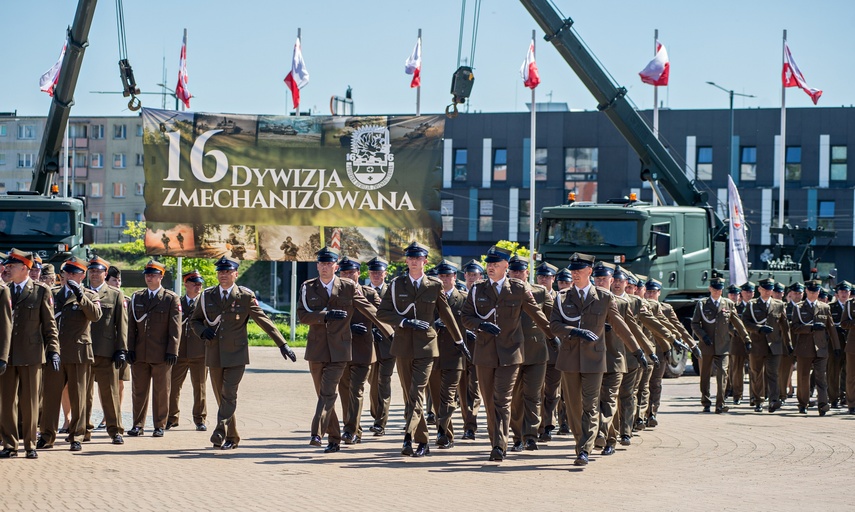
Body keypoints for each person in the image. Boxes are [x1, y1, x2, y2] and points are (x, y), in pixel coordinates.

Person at [460, 245, 557, 463]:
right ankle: (496, 438)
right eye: (489, 264)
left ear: (506, 266)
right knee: (489, 402)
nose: (491, 268)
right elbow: (465, 317)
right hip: (484, 354)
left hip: (511, 353)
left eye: (496, 264)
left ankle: (498, 446)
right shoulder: (477, 289)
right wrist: (481, 325)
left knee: (502, 400)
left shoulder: (518, 289)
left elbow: (538, 314)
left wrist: (553, 336)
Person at [549, 253, 645, 467]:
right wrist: (575, 331)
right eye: (572, 269)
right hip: (570, 360)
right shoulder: (562, 297)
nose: (574, 273)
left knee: (591, 406)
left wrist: (637, 351)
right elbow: (553, 325)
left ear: (589, 272)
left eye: (579, 270)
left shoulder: (603, 297)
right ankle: (581, 441)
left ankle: (584, 449)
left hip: (594, 360)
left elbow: (621, 326)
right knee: (574, 407)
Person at [192, 256, 297, 450]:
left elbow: (263, 320)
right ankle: (233, 437)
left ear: (236, 274)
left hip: (236, 355)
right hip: (214, 353)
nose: (223, 275)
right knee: (221, 397)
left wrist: (283, 344)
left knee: (229, 394)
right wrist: (201, 331)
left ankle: (220, 431)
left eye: (227, 271)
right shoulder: (207, 296)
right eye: (220, 272)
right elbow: (195, 320)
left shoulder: (245, 296)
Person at [297, 248, 390, 454]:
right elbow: (302, 315)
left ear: (335, 267)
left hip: (341, 350)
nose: (324, 267)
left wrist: (391, 331)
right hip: (317, 350)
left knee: (329, 392)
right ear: (317, 266)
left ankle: (317, 433)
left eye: (329, 264)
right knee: (323, 394)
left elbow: (369, 309)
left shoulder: (347, 287)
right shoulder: (308, 287)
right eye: (321, 264)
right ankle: (335, 438)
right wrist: (325, 315)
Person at [378, 241, 464, 458]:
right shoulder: (397, 285)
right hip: (403, 347)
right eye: (410, 258)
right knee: (410, 396)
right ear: (406, 260)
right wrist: (405, 322)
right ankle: (422, 441)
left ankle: (409, 437)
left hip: (427, 347)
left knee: (416, 393)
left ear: (425, 261)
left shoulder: (434, 285)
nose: (414, 261)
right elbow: (382, 313)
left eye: (418, 258)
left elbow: (447, 315)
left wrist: (459, 341)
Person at [41, 257, 102, 451]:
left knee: (78, 397)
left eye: (74, 273)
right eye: (66, 273)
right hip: (55, 352)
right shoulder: (52, 293)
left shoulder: (90, 295)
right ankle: (47, 435)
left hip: (78, 352)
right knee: (50, 397)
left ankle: (77, 435)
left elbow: (95, 316)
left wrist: (81, 297)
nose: (69, 276)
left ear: (83, 275)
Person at [336, 257, 390, 445]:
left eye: (352, 272)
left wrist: (389, 334)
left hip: (364, 351)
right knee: (344, 392)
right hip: (341, 350)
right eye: (344, 273)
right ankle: (353, 429)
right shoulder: (334, 293)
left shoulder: (368, 294)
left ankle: (350, 430)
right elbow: (330, 321)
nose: (349, 276)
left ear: (359, 273)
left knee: (356, 390)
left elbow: (381, 315)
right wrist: (348, 328)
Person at [0, 249, 47, 459]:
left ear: (24, 268)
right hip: (8, 356)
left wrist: (53, 350)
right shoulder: (5, 290)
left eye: (11, 266)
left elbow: (49, 325)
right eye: (7, 266)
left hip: (31, 354)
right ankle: (10, 444)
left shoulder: (41, 291)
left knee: (29, 402)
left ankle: (30, 444)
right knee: (7, 401)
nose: (7, 269)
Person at [127, 260, 181, 438]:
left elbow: (175, 327)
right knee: (139, 391)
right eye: (147, 274)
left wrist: (172, 350)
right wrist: (130, 348)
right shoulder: (137, 297)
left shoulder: (170, 298)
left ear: (161, 276)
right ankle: (138, 424)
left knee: (161, 391)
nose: (149, 277)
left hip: (161, 353)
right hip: (140, 352)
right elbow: (131, 327)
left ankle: (159, 424)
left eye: (153, 274)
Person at [509, 255, 554, 452]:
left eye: (521, 271)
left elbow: (552, 319)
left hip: (536, 352)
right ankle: (517, 436)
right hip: (511, 351)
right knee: (514, 398)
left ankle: (530, 436)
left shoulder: (540, 292)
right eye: (514, 271)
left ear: (528, 272)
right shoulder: (503, 290)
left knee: (534, 396)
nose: (517, 274)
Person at [691, 273, 751, 414]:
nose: (718, 291)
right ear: (710, 288)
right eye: (715, 289)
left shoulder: (728, 304)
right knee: (705, 375)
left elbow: (738, 323)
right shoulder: (702, 304)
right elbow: (694, 323)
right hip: (707, 346)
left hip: (723, 346)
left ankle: (720, 403)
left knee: (723, 374)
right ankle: (706, 401)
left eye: (720, 289)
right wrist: (703, 336)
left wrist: (746, 339)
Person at [427, 260, 472, 449]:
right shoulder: (428, 297)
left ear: (455, 277)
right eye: (442, 276)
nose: (444, 279)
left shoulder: (463, 298)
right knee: (437, 398)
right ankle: (447, 434)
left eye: (448, 276)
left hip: (455, 355)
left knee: (449, 396)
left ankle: (442, 432)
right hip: (433, 353)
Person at [84, 256, 127, 445]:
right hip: (83, 351)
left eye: (98, 271)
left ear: (105, 273)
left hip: (106, 351)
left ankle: (115, 430)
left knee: (110, 394)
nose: (94, 274)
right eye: (91, 270)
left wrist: (121, 349)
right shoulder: (80, 292)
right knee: (83, 395)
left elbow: (121, 324)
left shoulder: (115, 294)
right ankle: (83, 430)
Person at [791, 279, 841, 415]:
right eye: (811, 291)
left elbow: (831, 328)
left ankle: (823, 404)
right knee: (803, 377)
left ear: (819, 292)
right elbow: (794, 327)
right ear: (806, 291)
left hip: (821, 348)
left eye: (816, 291)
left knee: (821, 378)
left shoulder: (825, 307)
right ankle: (803, 403)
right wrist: (810, 328)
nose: (813, 293)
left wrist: (836, 347)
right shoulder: (799, 307)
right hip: (804, 348)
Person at [741, 278, 791, 413]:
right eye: (765, 289)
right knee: (757, 373)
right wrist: (758, 328)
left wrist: (789, 344)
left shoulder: (779, 304)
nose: (768, 291)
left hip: (774, 345)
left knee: (773, 374)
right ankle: (758, 400)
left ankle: (773, 401)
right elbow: (744, 322)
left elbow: (785, 326)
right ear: (759, 290)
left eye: (770, 289)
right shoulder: (752, 305)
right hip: (757, 345)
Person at [167, 270, 208, 431]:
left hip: (200, 352)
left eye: (200, 283)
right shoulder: (177, 302)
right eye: (194, 283)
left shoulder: (205, 302)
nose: (198, 286)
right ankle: (172, 417)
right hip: (180, 352)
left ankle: (200, 419)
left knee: (200, 387)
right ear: (186, 284)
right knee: (173, 387)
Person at [366, 256, 395, 436]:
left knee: (383, 381)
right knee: (371, 382)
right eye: (373, 272)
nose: (376, 275)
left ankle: (380, 422)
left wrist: (388, 332)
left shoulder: (392, 291)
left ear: (385, 273)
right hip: (367, 345)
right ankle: (376, 413)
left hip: (388, 345)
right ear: (369, 274)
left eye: (379, 272)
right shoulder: (362, 291)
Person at [534, 262, 562, 443]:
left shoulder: (561, 298)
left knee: (552, 391)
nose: (544, 279)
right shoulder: (531, 295)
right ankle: (539, 425)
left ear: (553, 279)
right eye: (541, 276)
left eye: (547, 277)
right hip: (535, 350)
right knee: (536, 391)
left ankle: (548, 424)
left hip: (554, 351)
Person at [458, 259, 484, 440]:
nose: (472, 278)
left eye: (475, 275)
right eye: (469, 275)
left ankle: (470, 425)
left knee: (474, 388)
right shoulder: (459, 296)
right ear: (464, 276)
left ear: (480, 276)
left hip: (479, 347)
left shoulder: (484, 295)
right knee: (462, 388)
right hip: (459, 348)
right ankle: (467, 421)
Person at [106, 266, 130, 402]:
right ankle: (105, 415)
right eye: (115, 280)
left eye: (119, 280)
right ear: (107, 281)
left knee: (120, 382)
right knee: (105, 383)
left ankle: (118, 411)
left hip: (121, 346)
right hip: (105, 346)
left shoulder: (127, 300)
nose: (118, 283)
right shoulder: (100, 298)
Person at [729, 282, 755, 406]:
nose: (749, 294)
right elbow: (727, 323)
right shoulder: (735, 308)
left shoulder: (757, 307)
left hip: (754, 342)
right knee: (737, 371)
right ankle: (737, 395)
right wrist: (732, 331)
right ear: (742, 293)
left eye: (751, 292)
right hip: (738, 342)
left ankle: (754, 396)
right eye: (746, 292)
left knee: (754, 370)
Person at [827, 281, 850, 409]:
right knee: (833, 372)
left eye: (846, 292)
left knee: (848, 372)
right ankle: (833, 398)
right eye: (841, 292)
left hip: (850, 343)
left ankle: (845, 396)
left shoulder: (852, 306)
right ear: (837, 294)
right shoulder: (830, 307)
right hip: (835, 343)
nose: (844, 294)